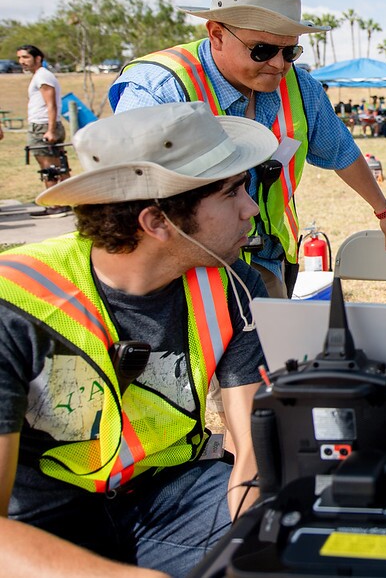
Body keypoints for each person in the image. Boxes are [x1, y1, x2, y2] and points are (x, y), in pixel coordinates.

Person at [0, 102, 278, 577]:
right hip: (41, 524)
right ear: (157, 222)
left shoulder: (233, 286)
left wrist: (253, 526)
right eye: (232, 191)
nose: (251, 209)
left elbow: (251, 443)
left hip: (172, 498)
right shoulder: (15, 302)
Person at [109, 0, 386, 298]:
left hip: (267, 258)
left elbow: (341, 151)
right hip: (185, 269)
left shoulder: (300, 86)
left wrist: (385, 212)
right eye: (262, 50)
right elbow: (128, 196)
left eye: (290, 52)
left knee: (271, 346)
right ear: (216, 35)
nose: (278, 65)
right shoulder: (160, 89)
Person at [17, 44, 72, 218]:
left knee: (49, 167)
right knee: (59, 166)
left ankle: (56, 205)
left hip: (43, 126)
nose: (22, 62)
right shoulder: (40, 76)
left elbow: (51, 104)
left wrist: (50, 130)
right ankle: (66, 201)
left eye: (25, 57)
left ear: (38, 58)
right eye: (19, 58)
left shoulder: (43, 76)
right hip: (43, 125)